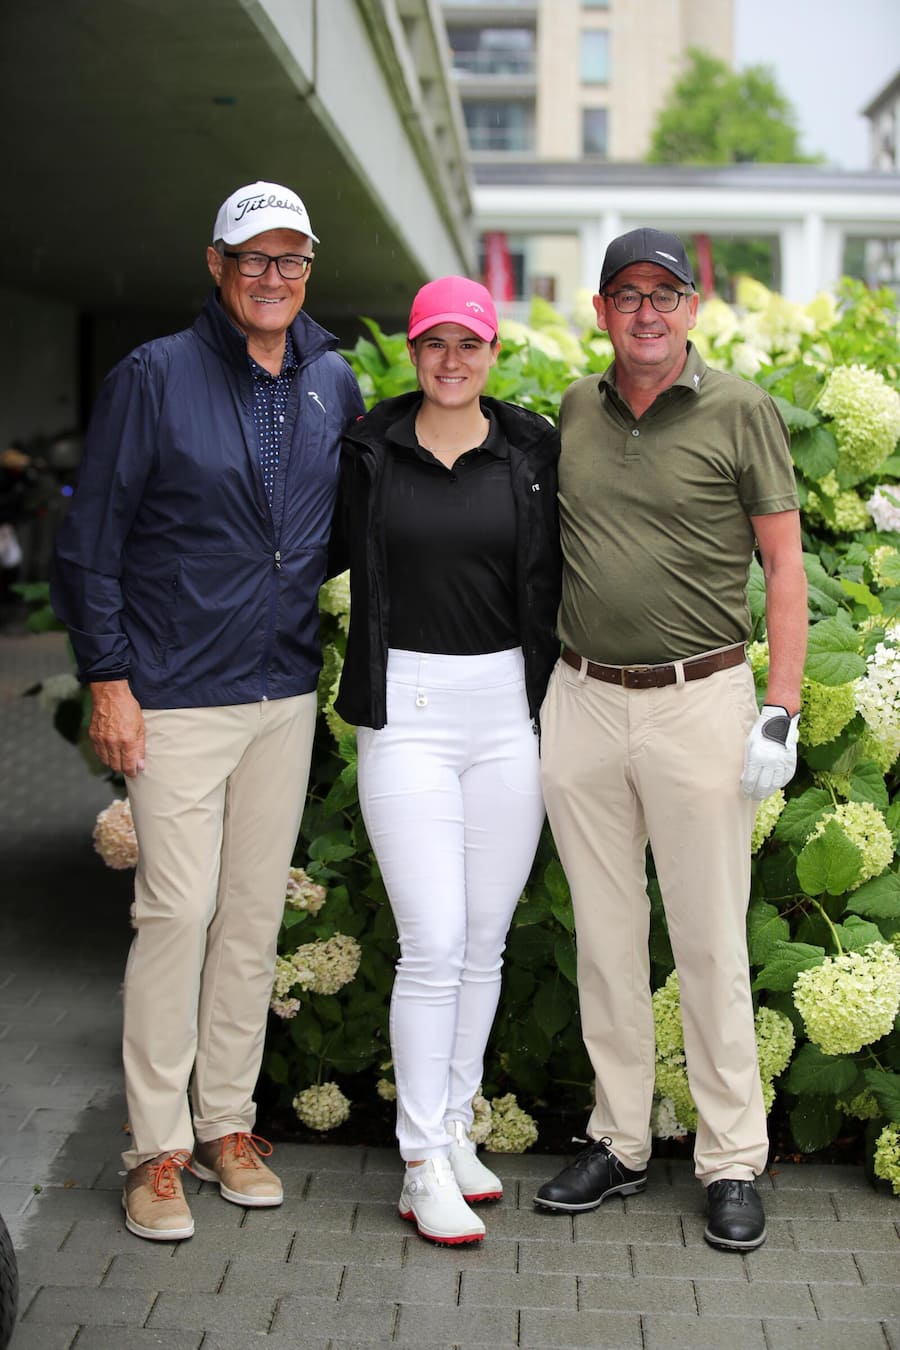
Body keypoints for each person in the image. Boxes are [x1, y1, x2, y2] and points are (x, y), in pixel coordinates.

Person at [51, 181, 365, 1242]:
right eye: (253, 259)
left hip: (281, 690)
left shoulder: (334, 380)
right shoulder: (155, 376)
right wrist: (109, 678)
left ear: (308, 271)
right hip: (177, 694)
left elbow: (360, 530)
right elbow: (89, 540)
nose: (272, 278)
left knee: (251, 918)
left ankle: (228, 1126)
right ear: (217, 265)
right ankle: (155, 1150)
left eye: (291, 260)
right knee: (174, 916)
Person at [534, 228, 807, 1252]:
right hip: (584, 704)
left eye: (666, 293)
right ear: (599, 312)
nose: (646, 311)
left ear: (693, 309)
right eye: (626, 295)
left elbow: (784, 569)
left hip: (701, 701)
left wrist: (779, 705)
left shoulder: (742, 410)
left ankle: (731, 1156)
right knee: (604, 943)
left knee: (708, 943)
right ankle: (621, 1138)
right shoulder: (572, 410)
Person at [333, 276, 561, 1245]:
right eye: (435, 344)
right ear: (416, 352)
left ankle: (456, 1126)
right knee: (431, 941)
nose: (452, 361)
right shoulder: (370, 449)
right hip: (410, 712)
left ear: (493, 351)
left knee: (483, 939)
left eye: (469, 344)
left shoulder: (534, 449)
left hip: (511, 710)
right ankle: (421, 1157)